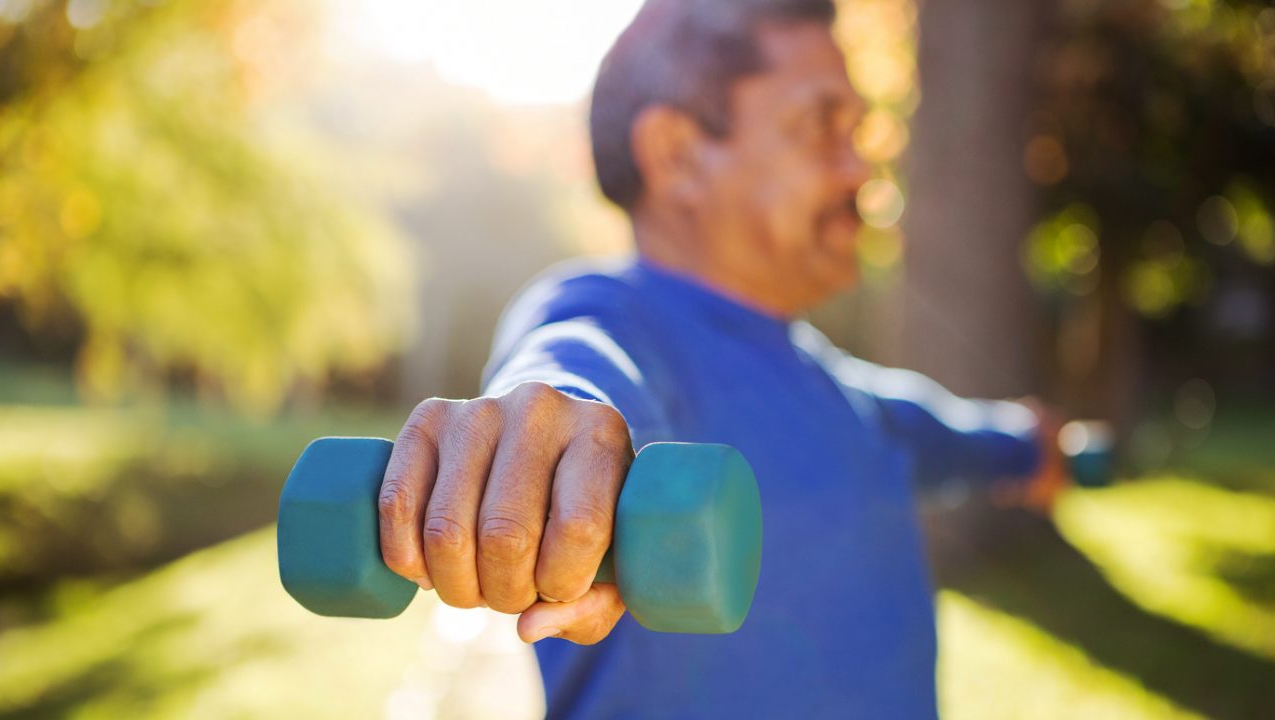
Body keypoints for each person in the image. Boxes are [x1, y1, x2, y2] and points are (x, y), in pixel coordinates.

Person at [377, 0, 1064, 716]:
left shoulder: (844, 392)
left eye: (858, 132)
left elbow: (953, 435)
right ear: (677, 155)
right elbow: (572, 367)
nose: (861, 166)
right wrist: (553, 443)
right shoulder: (615, 314)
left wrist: (1032, 446)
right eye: (822, 126)